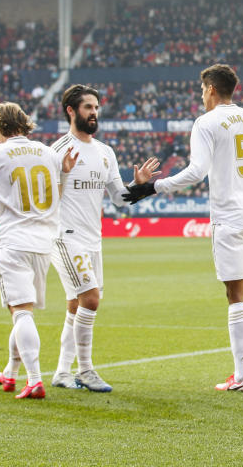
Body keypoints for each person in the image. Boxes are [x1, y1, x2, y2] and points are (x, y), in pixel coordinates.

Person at [123, 64, 243, 392]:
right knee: (242, 290)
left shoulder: (206, 122)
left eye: (203, 90)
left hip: (229, 218)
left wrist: (152, 188)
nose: (202, 96)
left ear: (212, 89)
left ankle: (241, 376)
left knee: (235, 294)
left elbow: (196, 171)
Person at [49, 84, 161, 392]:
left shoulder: (104, 152)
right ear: (71, 111)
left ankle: (61, 372)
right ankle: (85, 370)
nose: (94, 113)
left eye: (96, 107)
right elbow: (45, 199)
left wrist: (137, 185)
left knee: (76, 304)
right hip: (64, 236)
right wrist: (60, 174)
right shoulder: (57, 151)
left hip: (92, 238)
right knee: (91, 299)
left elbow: (119, 199)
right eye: (88, 107)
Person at [0, 102, 78, 399]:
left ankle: (35, 380)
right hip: (43, 243)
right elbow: (58, 196)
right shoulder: (48, 153)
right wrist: (64, 174)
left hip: (13, 241)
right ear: (24, 124)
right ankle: (11, 373)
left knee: (20, 312)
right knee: (23, 311)